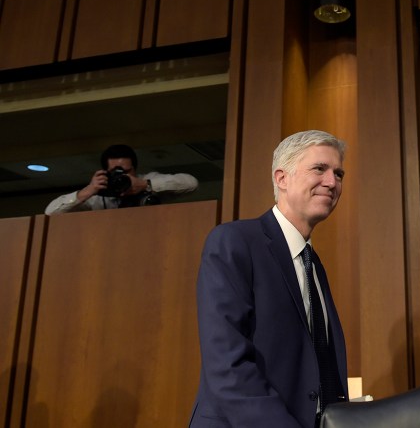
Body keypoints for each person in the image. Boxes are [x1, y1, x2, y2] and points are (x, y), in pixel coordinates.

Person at [189, 130, 349, 428]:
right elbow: (228, 366)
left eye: (338, 173)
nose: (332, 182)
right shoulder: (234, 242)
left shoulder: (313, 264)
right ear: (281, 178)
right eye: (320, 169)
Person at [44, 144, 198, 215]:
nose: (120, 176)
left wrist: (146, 185)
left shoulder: (146, 180)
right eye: (114, 172)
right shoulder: (98, 194)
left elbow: (191, 183)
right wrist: (88, 191)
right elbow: (50, 213)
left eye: (126, 171)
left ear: (135, 169)